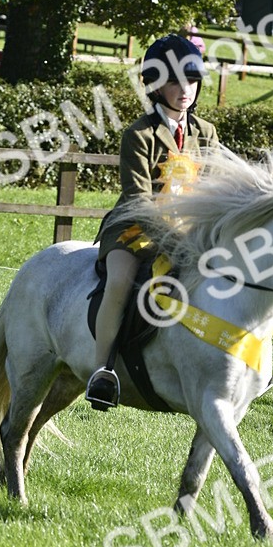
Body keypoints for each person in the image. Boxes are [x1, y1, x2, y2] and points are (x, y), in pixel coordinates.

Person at [85, 33, 219, 410]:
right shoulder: (139, 134)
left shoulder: (204, 133)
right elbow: (138, 199)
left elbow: (212, 189)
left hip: (190, 233)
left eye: (191, 81)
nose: (185, 90)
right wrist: (175, 235)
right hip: (133, 228)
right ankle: (102, 371)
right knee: (121, 281)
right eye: (175, 81)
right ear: (155, 85)